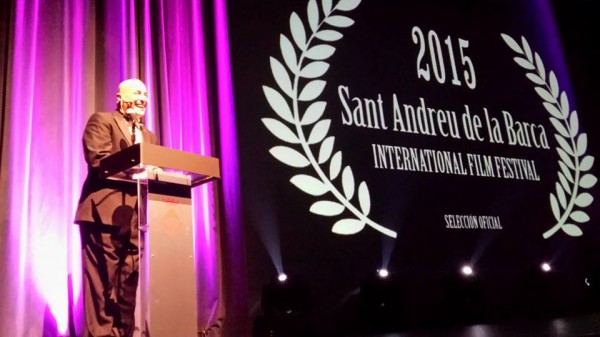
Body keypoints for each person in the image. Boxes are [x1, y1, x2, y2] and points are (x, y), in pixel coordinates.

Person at [74, 79, 159, 337]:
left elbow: (153, 170)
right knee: (100, 283)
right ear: (119, 97)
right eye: (136, 92)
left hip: (136, 217)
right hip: (103, 213)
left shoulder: (148, 136)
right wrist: (139, 167)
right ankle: (99, 334)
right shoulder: (102, 121)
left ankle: (123, 333)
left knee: (129, 282)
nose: (143, 98)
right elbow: (97, 159)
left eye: (145, 93)